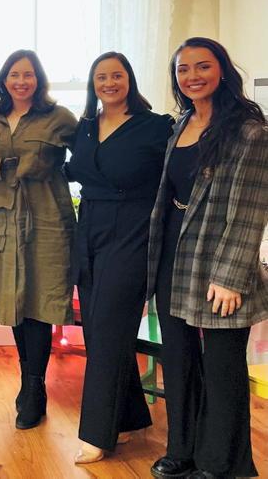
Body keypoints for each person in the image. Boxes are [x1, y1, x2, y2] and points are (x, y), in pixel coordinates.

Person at [147, 38, 268, 479]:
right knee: (178, 359)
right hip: (173, 254)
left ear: (222, 71)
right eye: (183, 69)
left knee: (221, 368)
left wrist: (231, 276)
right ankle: (183, 449)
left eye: (202, 66)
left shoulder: (249, 132)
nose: (192, 76)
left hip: (220, 260)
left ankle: (222, 464)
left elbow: (251, 209)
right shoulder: (182, 123)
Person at [65, 52, 173, 464]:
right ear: (93, 84)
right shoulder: (85, 127)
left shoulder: (156, 126)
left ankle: (97, 434)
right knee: (97, 330)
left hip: (133, 230)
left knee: (110, 328)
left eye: (117, 75)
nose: (109, 83)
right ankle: (128, 418)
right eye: (101, 77)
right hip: (89, 228)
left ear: (130, 79)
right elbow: (74, 170)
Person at [0, 49, 77, 430]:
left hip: (46, 220)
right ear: (4, 80)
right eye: (14, 75)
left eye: (28, 74)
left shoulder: (59, 117)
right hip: (3, 221)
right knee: (13, 303)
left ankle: (35, 389)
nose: (21, 81)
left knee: (40, 303)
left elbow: (88, 158)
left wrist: (57, 171)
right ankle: (28, 381)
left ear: (38, 79)